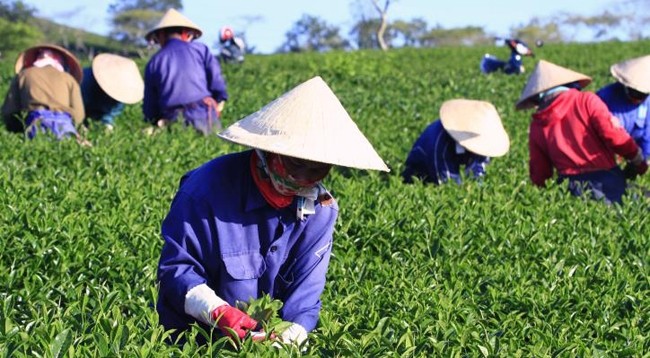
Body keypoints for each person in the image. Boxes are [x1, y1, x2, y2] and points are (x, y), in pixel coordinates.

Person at [156, 76, 389, 346]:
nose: (303, 178)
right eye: (296, 163)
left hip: (263, 343)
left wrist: (290, 338)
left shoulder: (321, 211)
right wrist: (216, 311)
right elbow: (176, 269)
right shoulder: (205, 192)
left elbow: (305, 296)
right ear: (269, 151)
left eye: (317, 169)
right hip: (194, 341)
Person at [516, 59, 648, 204]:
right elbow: (614, 135)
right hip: (605, 180)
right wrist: (637, 159)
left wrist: (542, 198)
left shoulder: (537, 124)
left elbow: (540, 172)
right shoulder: (586, 101)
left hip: (568, 187)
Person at [143, 8, 228, 135]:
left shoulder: (154, 62)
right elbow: (216, 82)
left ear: (161, 35)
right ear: (185, 33)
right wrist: (219, 99)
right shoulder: (201, 50)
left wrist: (153, 121)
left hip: (173, 120)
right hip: (205, 115)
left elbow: (151, 105)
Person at [402, 99, 510, 184]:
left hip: (449, 161)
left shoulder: (483, 142)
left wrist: (477, 189)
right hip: (421, 173)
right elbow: (447, 182)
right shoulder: (440, 141)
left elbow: (479, 167)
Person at [1, 44, 89, 145]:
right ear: (59, 61)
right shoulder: (69, 80)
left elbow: (10, 110)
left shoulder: (24, 75)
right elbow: (79, 114)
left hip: (35, 123)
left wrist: (16, 130)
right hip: (64, 126)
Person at [596, 55, 650, 164]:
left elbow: (647, 137)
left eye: (642, 95)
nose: (637, 99)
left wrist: (643, 159)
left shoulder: (648, 103)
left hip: (635, 154)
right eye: (634, 93)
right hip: (604, 154)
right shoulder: (605, 96)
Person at [81, 53, 144, 131]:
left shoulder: (121, 95)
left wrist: (107, 126)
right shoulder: (85, 81)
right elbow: (76, 108)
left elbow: (110, 113)